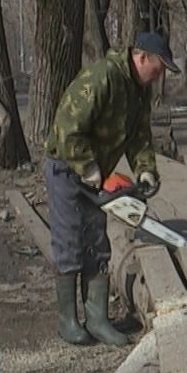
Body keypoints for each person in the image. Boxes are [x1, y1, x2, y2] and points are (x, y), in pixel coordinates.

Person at [44, 31, 180, 347]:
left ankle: (97, 318)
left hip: (96, 172)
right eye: (158, 68)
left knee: (97, 242)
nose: (158, 76)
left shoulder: (139, 92)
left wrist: (145, 171)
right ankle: (67, 321)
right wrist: (93, 172)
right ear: (141, 56)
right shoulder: (103, 77)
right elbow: (67, 129)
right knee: (69, 240)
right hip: (66, 165)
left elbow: (140, 138)